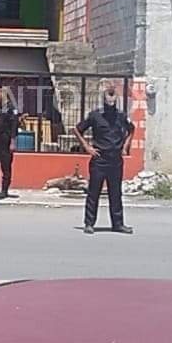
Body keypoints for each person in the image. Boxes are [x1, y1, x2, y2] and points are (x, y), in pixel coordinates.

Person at [73, 86, 136, 235]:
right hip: (99, 159)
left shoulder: (121, 116)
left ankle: (118, 224)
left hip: (116, 159)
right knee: (94, 192)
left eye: (113, 99)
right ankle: (89, 223)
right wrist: (87, 147)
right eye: (109, 99)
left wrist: (126, 145)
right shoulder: (95, 116)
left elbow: (131, 129)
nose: (111, 103)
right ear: (104, 100)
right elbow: (77, 129)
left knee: (116, 193)